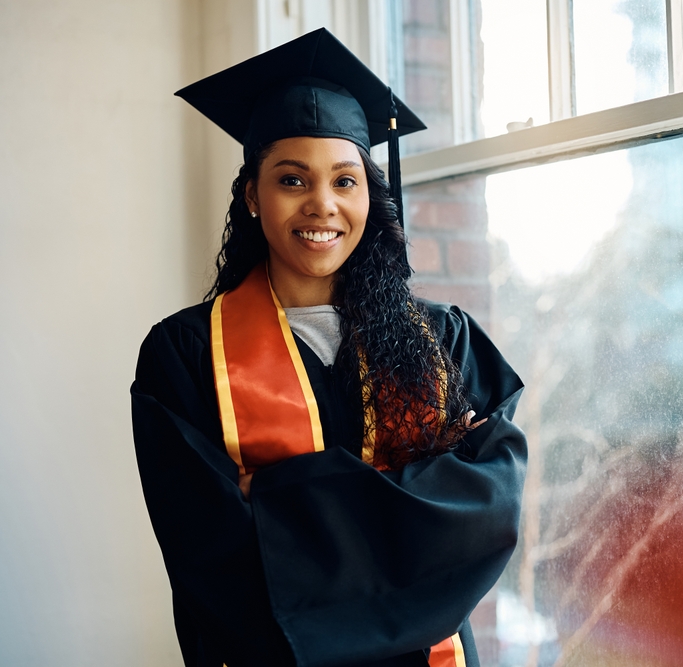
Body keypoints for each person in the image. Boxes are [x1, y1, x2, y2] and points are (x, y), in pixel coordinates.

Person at [131, 29, 526, 667]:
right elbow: (209, 554)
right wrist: (404, 504)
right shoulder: (184, 356)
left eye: (346, 181)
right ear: (253, 197)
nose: (323, 204)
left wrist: (281, 503)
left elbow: (485, 512)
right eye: (293, 179)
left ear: (371, 196)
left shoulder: (442, 340)